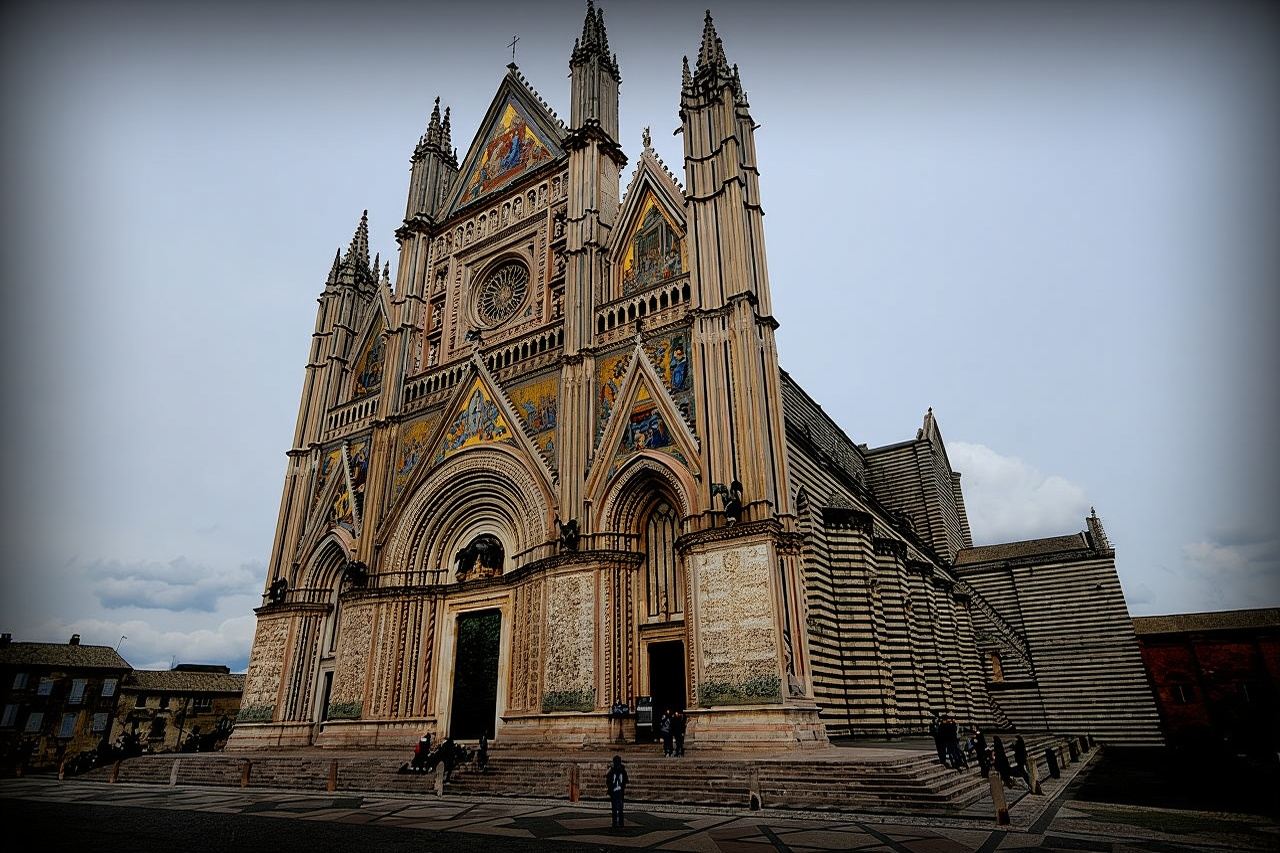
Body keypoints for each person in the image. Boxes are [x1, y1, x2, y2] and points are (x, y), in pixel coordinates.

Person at [606, 754, 629, 829]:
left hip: (619, 791)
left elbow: (625, 780)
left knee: (619, 808)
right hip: (615, 791)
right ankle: (615, 822)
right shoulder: (612, 771)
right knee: (615, 808)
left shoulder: (622, 771)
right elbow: (608, 780)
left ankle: (620, 823)